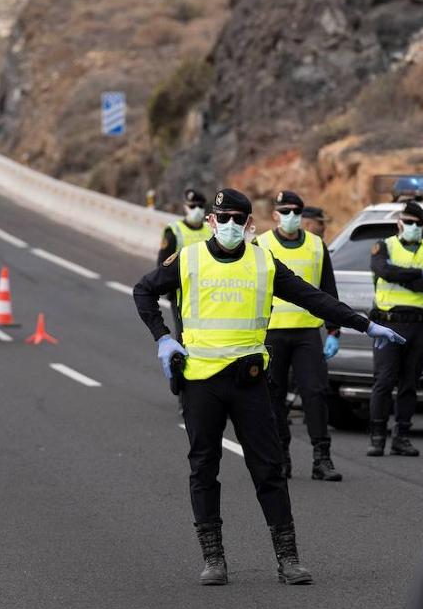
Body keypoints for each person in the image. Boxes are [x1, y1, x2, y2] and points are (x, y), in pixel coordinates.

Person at [133, 188, 405, 586]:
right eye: (221, 218)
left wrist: (364, 324)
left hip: (249, 382)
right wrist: (162, 337)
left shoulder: (264, 262)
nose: (229, 226)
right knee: (203, 468)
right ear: (211, 220)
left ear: (249, 224)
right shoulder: (189, 259)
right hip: (201, 382)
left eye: (237, 219)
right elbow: (143, 290)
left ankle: (288, 558)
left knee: (269, 469)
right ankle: (214, 558)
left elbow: (314, 298)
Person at [257, 190, 342, 481]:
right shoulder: (261, 244)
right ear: (275, 215)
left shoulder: (318, 246)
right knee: (273, 396)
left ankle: (322, 458)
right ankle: (281, 458)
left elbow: (328, 291)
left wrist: (334, 329)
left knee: (315, 393)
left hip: (307, 331)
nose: (291, 217)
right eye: (285, 211)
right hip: (272, 333)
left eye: (296, 211)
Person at [367, 200, 423, 457]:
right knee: (384, 381)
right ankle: (378, 437)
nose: (413, 226)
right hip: (388, 324)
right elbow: (383, 271)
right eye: (409, 222)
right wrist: (416, 275)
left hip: (419, 324)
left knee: (409, 384)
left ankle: (402, 436)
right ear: (399, 222)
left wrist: (405, 277)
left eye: (418, 223)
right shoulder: (384, 245)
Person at [157, 188, 213, 341]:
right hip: (182, 294)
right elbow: (163, 265)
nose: (197, 210)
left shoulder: (211, 231)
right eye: (193, 206)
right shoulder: (174, 231)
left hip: (208, 293)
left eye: (200, 207)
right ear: (185, 207)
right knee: (185, 337)